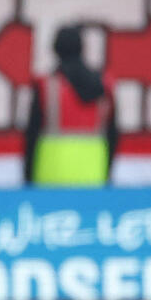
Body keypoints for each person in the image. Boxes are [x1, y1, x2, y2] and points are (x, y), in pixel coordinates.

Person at [24, 25, 118, 185]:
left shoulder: (47, 86)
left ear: (55, 49)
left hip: (52, 174)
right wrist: (108, 173)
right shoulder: (104, 85)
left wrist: (27, 176)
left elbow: (31, 134)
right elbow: (113, 134)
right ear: (82, 49)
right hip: (94, 173)